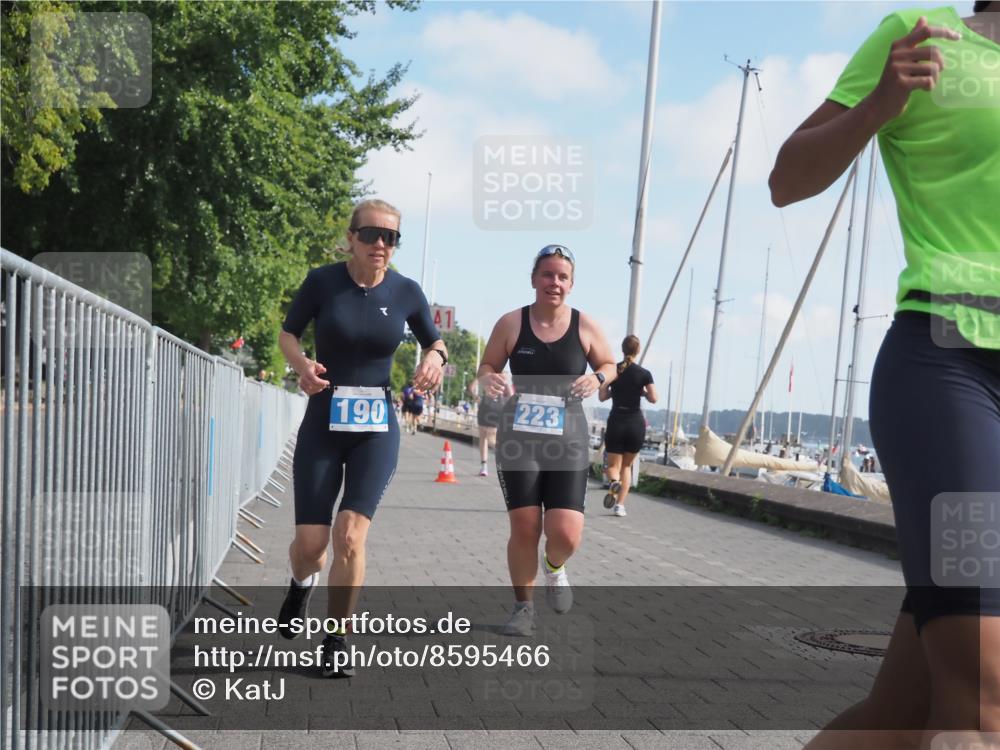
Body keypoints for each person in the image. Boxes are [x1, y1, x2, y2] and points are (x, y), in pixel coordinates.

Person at [770, 4, 998, 747]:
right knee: (982, 703)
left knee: (899, 719)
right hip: (951, 365)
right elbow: (787, 178)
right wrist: (878, 105)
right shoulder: (922, 33)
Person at [277, 199, 447, 677]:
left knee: (349, 535)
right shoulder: (322, 282)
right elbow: (288, 334)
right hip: (323, 422)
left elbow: (435, 341)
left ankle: (336, 640)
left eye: (390, 237)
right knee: (311, 546)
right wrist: (302, 366)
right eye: (370, 234)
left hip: (376, 427)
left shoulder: (408, 291)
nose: (380, 244)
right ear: (351, 237)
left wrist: (434, 358)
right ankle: (298, 583)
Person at [477, 245, 616, 636]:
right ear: (534, 279)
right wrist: (490, 378)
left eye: (562, 277)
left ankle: (555, 567)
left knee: (566, 533)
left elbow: (608, 364)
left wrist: (598, 378)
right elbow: (487, 365)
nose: (554, 282)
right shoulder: (511, 323)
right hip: (518, 438)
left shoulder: (584, 326)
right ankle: (524, 608)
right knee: (524, 527)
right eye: (547, 274)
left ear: (571, 284)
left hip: (567, 440)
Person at [598, 335, 658, 517]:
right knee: (627, 467)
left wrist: (611, 389)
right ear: (637, 350)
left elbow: (602, 396)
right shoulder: (644, 373)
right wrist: (643, 393)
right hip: (635, 424)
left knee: (612, 466)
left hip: (617, 420)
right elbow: (654, 398)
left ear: (622, 350)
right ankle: (620, 506)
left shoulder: (614, 371)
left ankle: (613, 481)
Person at [469, 380, 504, 477]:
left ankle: (485, 466)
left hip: (488, 414)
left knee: (487, 440)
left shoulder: (489, 397)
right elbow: (471, 390)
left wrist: (478, 378)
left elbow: (471, 389)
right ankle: (484, 466)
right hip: (488, 414)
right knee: (485, 439)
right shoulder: (499, 397)